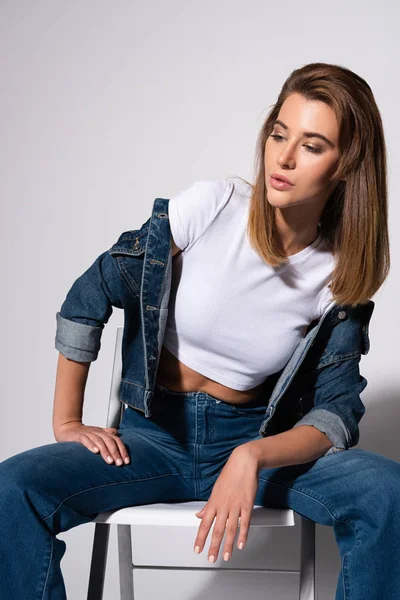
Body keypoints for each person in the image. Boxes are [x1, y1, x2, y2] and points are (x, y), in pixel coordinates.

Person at [0, 61, 398, 600]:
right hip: (151, 442)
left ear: (346, 166)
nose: (282, 158)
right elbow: (88, 296)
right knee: (12, 489)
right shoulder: (212, 209)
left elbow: (335, 414)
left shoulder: (336, 277)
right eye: (279, 134)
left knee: (386, 492)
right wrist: (68, 420)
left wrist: (251, 456)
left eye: (312, 145)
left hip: (255, 444)